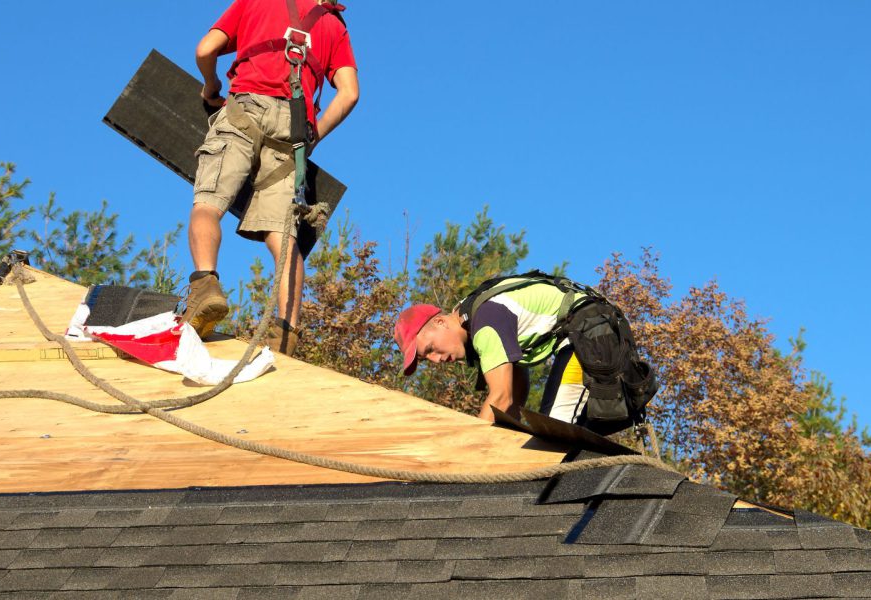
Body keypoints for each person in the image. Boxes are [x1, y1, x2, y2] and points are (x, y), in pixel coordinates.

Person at [182, 0, 359, 356]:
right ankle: (285, 332)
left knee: (208, 203)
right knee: (283, 235)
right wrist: (313, 137)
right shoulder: (334, 26)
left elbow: (205, 48)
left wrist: (211, 83)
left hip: (245, 107)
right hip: (292, 130)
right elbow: (350, 92)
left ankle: (205, 286)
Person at [394, 273, 657, 433]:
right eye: (425, 359)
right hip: (591, 332)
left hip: (588, 336)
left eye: (429, 349)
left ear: (440, 322)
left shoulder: (484, 323)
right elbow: (514, 396)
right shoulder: (478, 320)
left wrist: (472, 449)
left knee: (556, 431)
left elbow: (501, 395)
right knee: (561, 434)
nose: (436, 359)